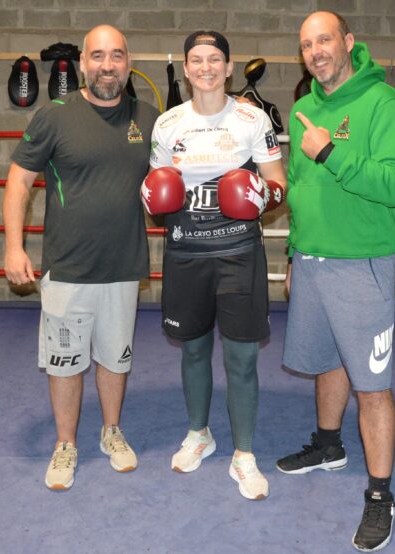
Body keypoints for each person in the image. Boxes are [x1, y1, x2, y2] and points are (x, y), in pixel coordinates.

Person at [276, 11, 395, 552]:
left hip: (362, 263)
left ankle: (381, 495)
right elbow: (300, 190)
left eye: (325, 39)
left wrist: (331, 152)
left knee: (372, 386)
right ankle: (328, 444)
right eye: (307, 44)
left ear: (348, 43)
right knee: (327, 360)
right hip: (311, 260)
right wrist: (292, 252)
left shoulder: (384, 105)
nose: (316, 51)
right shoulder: (304, 108)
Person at [2, 25, 159, 491]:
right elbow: (17, 182)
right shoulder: (54, 117)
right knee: (64, 362)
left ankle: (111, 431)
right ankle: (66, 444)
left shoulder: (150, 119)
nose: (107, 66)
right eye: (97, 56)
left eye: (116, 56)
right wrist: (13, 246)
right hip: (67, 267)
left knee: (115, 357)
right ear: (83, 64)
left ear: (128, 62)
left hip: (123, 266)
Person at [143, 30, 286, 500]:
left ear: (228, 68)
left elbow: (279, 184)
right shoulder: (167, 125)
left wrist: (261, 195)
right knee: (193, 349)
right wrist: (151, 196)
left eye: (215, 59)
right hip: (186, 252)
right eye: (196, 60)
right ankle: (199, 433)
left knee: (242, 356)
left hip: (238, 253)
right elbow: (157, 190)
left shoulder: (251, 119)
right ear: (186, 69)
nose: (206, 67)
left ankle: (244, 454)